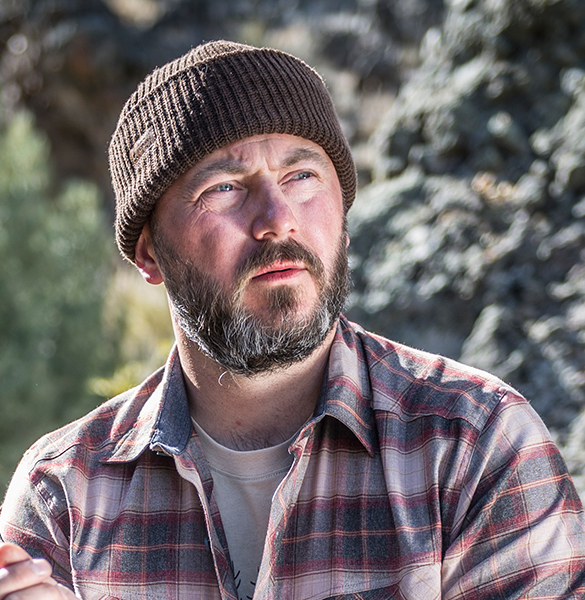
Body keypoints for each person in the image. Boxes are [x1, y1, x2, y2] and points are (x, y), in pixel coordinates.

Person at [0, 40, 584, 600]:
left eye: (301, 177)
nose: (277, 219)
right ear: (149, 252)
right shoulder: (63, 495)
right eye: (224, 188)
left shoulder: (473, 444)